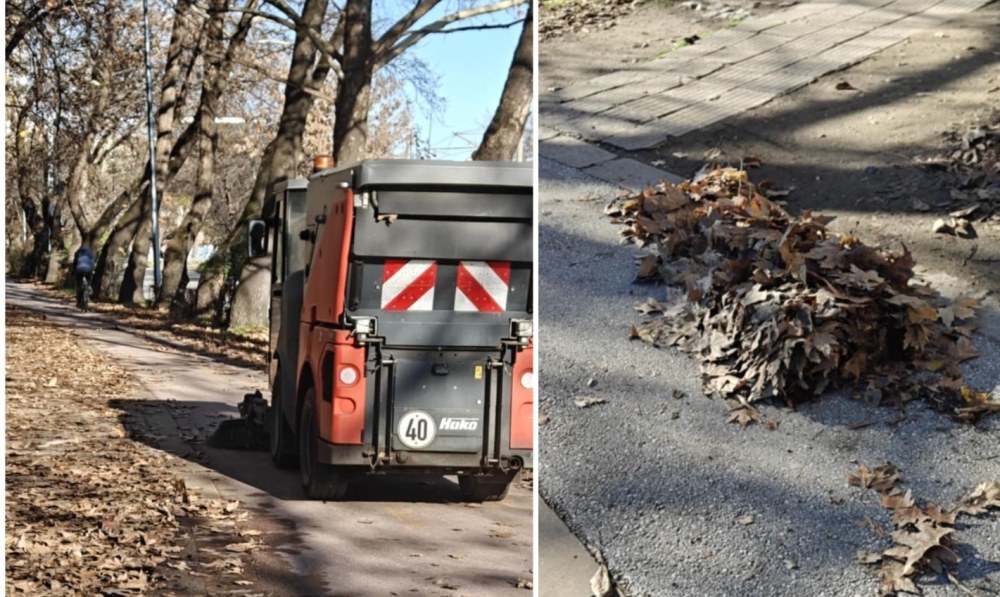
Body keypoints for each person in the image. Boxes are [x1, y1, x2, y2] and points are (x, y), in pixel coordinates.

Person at [73, 242, 95, 309]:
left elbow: (75, 263)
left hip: (79, 269)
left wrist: (73, 271)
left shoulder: (78, 254)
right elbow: (92, 263)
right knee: (89, 279)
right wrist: (92, 270)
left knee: (79, 284)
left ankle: (78, 301)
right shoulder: (90, 254)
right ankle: (88, 286)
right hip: (88, 270)